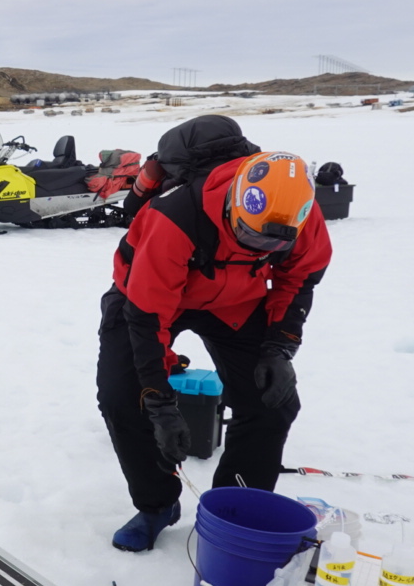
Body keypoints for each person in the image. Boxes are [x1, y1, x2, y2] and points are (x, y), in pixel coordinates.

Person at [98, 115, 332, 551]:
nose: (256, 250)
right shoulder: (175, 216)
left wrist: (279, 347)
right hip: (147, 297)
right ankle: (155, 505)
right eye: (246, 235)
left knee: (273, 402)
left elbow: (300, 277)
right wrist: (160, 401)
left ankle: (235, 513)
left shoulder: (302, 215)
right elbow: (149, 319)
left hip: (235, 302)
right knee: (122, 399)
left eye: (269, 246)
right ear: (234, 204)